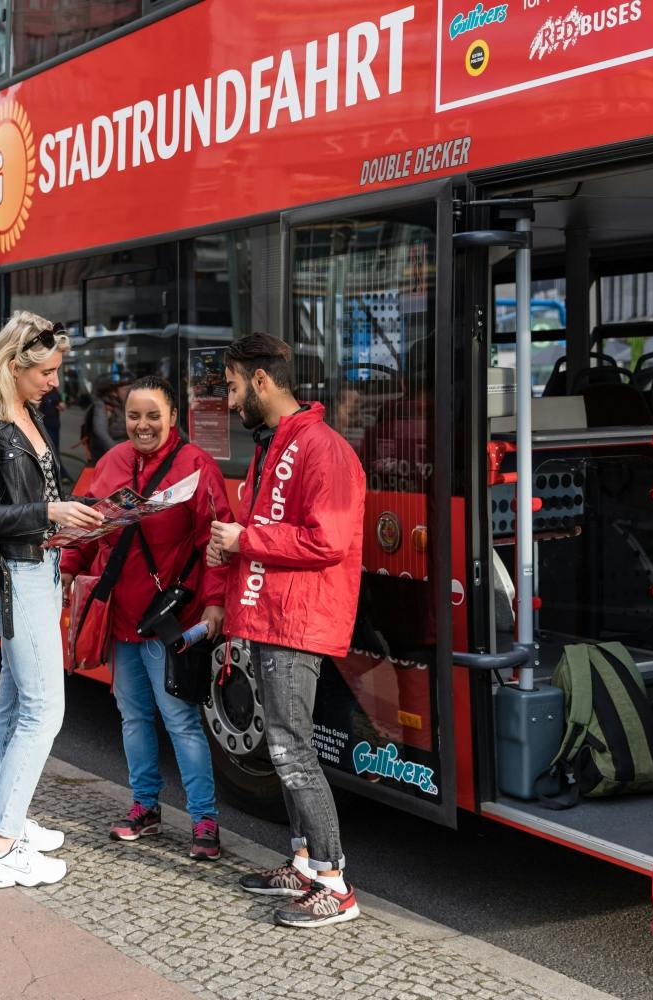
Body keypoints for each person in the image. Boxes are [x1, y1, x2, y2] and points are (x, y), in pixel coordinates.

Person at [206, 333, 367, 929]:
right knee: (285, 745)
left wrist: (244, 540)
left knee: (290, 749)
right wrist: (233, 548)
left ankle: (334, 883)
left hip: (297, 619)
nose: (228, 400)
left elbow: (328, 539)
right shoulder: (280, 443)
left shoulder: (321, 449)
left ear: (261, 382)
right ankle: (304, 863)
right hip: (275, 612)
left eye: (231, 385)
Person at [0, 310, 105, 889]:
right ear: (13, 365)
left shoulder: (29, 415)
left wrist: (75, 520)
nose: (53, 380)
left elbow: (38, 494)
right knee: (46, 710)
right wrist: (49, 513)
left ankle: (2, 819)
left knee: (13, 705)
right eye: (44, 370)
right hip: (16, 573)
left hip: (40, 565)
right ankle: (1, 848)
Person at [60, 375, 230, 861]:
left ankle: (204, 820)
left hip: (170, 618)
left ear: (173, 418)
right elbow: (87, 527)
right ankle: (145, 807)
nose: (143, 425)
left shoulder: (196, 466)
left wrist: (215, 603)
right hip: (121, 615)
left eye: (153, 415)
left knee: (180, 720)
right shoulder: (110, 463)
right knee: (133, 717)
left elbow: (215, 541)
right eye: (134, 415)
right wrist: (71, 568)